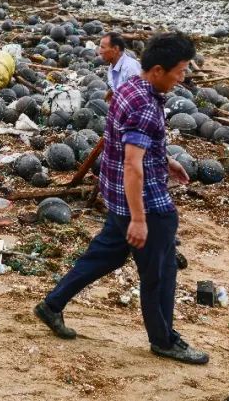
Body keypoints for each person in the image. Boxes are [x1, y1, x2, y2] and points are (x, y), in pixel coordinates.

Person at [35, 32, 207, 365]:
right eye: (180, 70)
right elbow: (132, 163)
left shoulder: (130, 87)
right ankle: (164, 340)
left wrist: (163, 158)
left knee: (104, 256)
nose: (183, 77)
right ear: (158, 69)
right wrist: (140, 218)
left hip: (116, 196)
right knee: (159, 273)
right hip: (146, 204)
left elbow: (125, 142)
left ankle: (51, 305)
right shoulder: (145, 104)